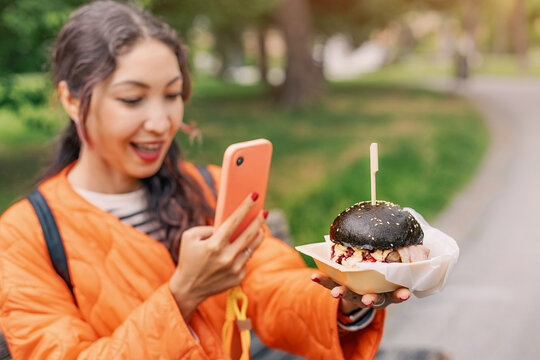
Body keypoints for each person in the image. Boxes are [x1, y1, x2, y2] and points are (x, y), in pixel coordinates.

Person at [0, 1, 410, 359]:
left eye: (173, 94)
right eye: (132, 99)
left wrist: (348, 302)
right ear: (72, 99)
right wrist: (182, 295)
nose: (161, 123)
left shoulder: (211, 189)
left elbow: (273, 288)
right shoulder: (24, 236)